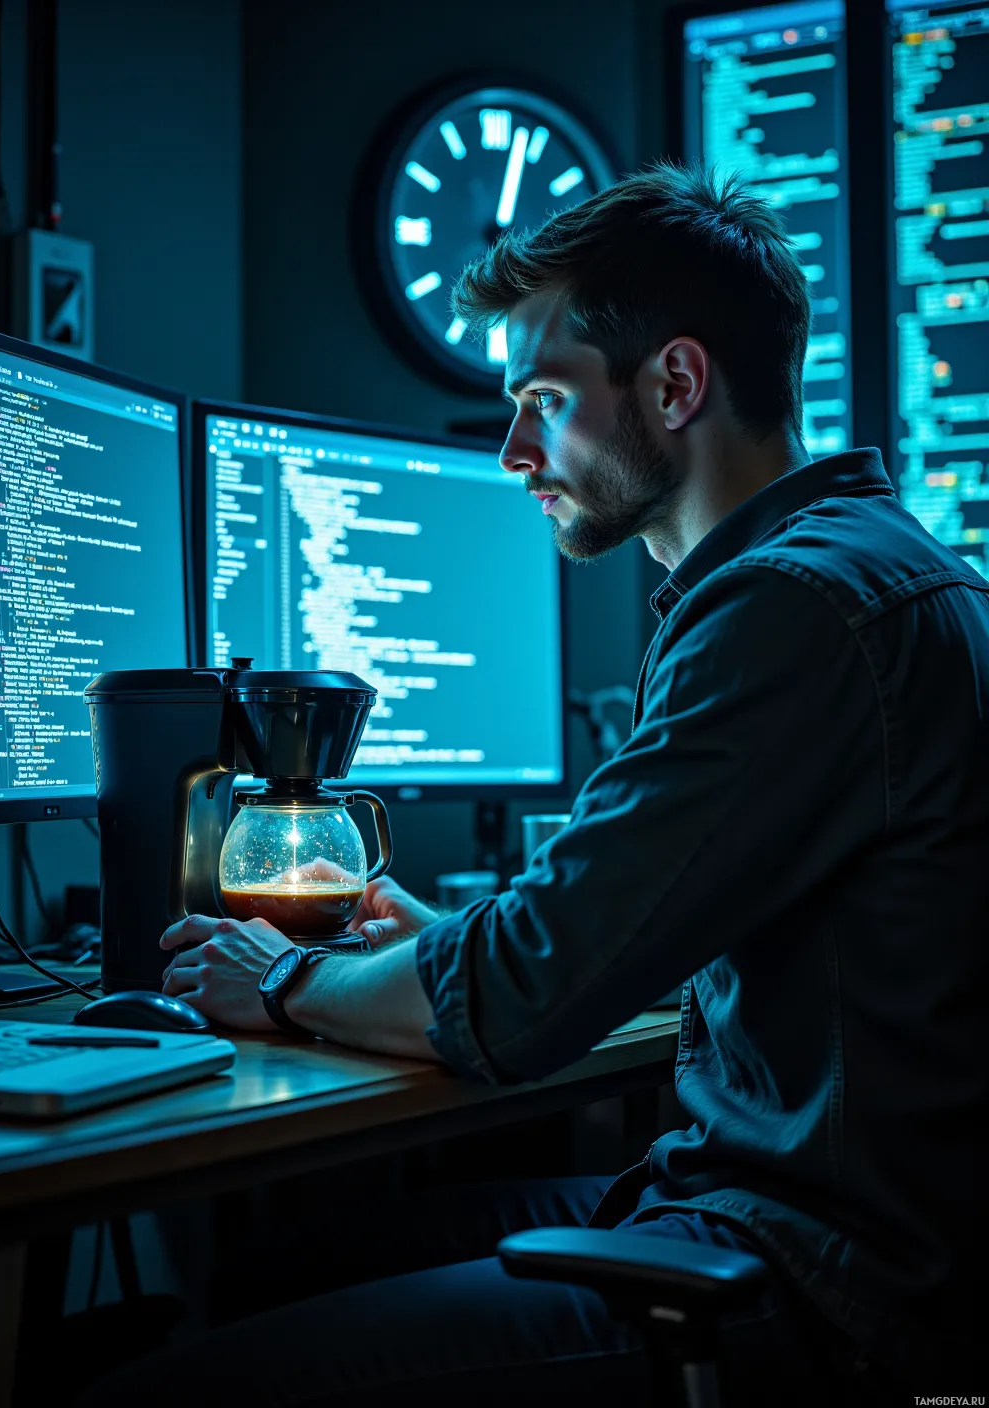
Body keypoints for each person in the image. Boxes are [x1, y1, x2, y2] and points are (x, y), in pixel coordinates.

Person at [79, 161, 987, 1405]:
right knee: (284, 1266)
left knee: (156, 1390)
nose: (512, 450)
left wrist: (288, 978)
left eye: (543, 399)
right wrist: (449, 944)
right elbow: (616, 942)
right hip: (791, 1212)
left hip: (820, 1282)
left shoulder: (790, 607)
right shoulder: (873, 569)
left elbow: (521, 1001)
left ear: (674, 382)